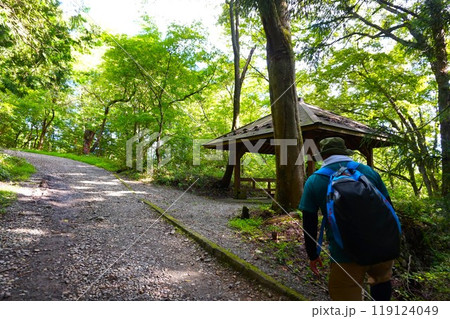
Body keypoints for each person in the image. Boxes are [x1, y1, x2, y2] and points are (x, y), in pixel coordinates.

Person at [299, 137, 395, 301]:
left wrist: (312, 254)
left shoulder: (314, 180)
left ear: (324, 156)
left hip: (345, 255)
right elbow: (389, 208)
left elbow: (309, 222)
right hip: (381, 249)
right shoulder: (369, 172)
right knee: (381, 288)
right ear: (345, 153)